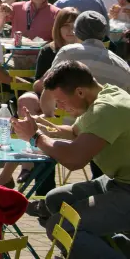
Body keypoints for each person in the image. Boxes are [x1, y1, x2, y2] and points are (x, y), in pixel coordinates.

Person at [11, 61, 130, 258]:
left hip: (125, 188)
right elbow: (76, 133)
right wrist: (45, 127)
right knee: (54, 200)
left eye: (62, 102)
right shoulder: (104, 95)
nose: (59, 107)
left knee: (61, 226)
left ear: (80, 92)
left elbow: (75, 160)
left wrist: (36, 138)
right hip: (117, 181)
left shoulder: (108, 109)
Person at [44, 11, 130, 107]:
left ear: (76, 32)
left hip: (70, 120)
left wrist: (48, 116)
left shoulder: (67, 52)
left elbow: (49, 90)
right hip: (110, 119)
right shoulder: (122, 64)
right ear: (103, 34)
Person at [18, 7, 80, 118]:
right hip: (50, 94)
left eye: (74, 26)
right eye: (66, 26)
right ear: (58, 27)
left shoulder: (84, 50)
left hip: (75, 95)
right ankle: (31, 134)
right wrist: (53, 72)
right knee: (26, 100)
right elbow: (37, 87)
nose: (70, 30)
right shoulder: (48, 50)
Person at [3, 0, 60, 69]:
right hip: (15, 59)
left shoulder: (57, 13)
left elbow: (60, 41)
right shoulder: (17, 7)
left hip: (42, 62)